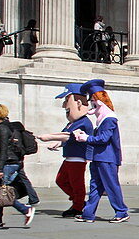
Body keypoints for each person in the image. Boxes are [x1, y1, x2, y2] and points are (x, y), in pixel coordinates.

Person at [72, 79, 128, 223]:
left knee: (110, 186)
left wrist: (86, 138)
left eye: (93, 102)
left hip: (107, 158)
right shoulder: (102, 119)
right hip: (99, 157)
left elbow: (104, 139)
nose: (91, 105)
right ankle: (88, 214)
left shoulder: (109, 119)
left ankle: (121, 211)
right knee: (95, 186)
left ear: (100, 102)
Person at [36, 83, 93, 218]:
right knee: (61, 180)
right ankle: (78, 201)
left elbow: (71, 136)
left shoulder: (84, 122)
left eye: (67, 100)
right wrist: (57, 143)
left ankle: (78, 206)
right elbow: (65, 137)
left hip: (78, 158)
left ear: (78, 102)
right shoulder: (72, 123)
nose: (64, 105)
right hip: (69, 157)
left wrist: (49, 137)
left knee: (76, 184)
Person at [0, 104, 34, 228]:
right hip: (8, 162)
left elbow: (4, 150)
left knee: (1, 192)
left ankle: (25, 210)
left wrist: (0, 169)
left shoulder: (2, 129)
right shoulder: (4, 127)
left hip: (7, 163)